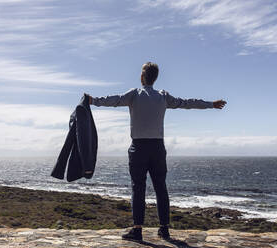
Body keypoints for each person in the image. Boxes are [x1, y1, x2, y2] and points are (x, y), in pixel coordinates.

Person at [88, 62, 226, 242]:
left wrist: (93, 101)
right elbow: (187, 103)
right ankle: (164, 230)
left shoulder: (134, 94)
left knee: (138, 188)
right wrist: (211, 104)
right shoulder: (163, 96)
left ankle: (137, 230)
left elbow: (114, 100)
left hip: (138, 147)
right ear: (155, 78)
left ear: (142, 77)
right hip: (158, 148)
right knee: (161, 188)